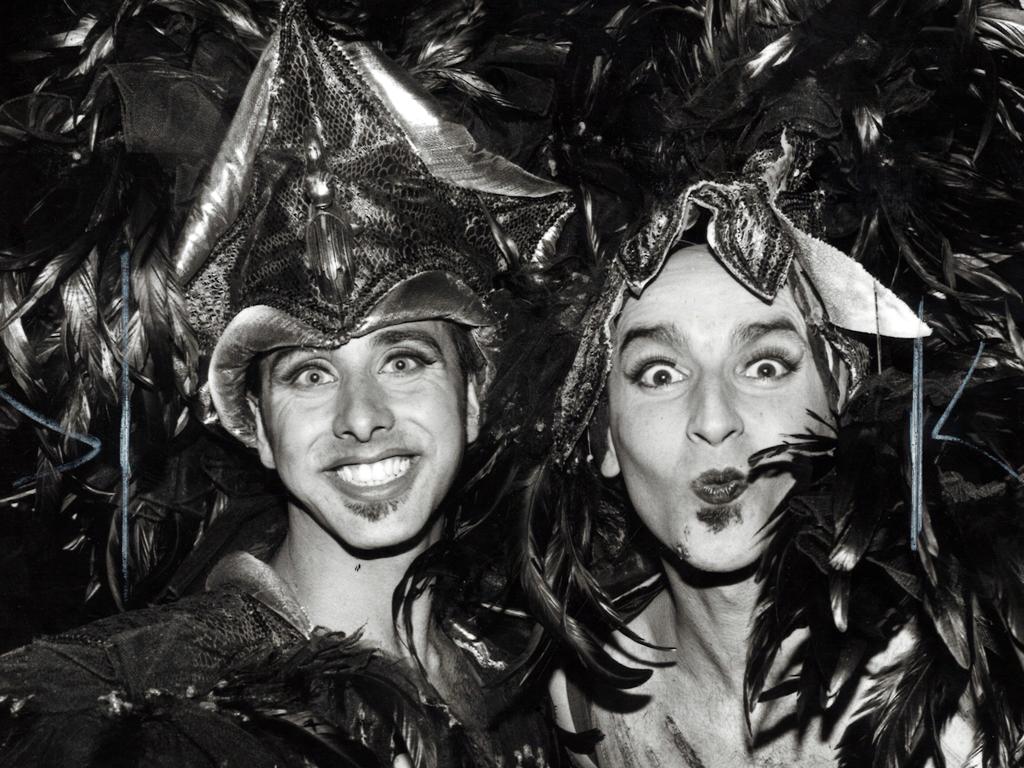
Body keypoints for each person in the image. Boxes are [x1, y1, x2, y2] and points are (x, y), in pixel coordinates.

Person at [0, 1, 571, 765]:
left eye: (403, 360)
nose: (361, 417)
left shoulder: (540, 680)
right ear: (256, 425)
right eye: (308, 373)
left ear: (471, 396)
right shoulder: (141, 713)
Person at [513, 2, 1024, 766]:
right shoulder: (584, 699)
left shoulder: (966, 704)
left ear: (841, 397)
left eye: (765, 366)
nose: (714, 420)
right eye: (659, 372)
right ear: (601, 435)